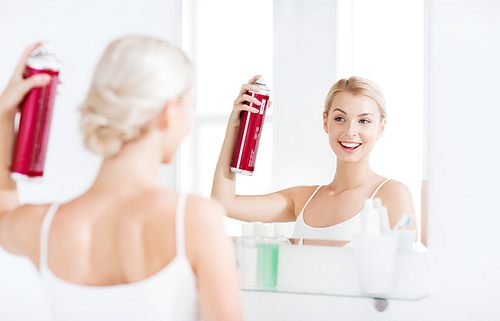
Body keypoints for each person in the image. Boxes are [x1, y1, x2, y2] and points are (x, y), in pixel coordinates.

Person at [0, 37, 242, 321]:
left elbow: (4, 214)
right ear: (169, 111)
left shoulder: (41, 227)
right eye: (190, 106)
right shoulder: (195, 218)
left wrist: (5, 116)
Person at [212, 75, 417, 244]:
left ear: (380, 128)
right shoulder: (302, 200)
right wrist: (235, 129)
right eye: (340, 119)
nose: (350, 131)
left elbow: (411, 272)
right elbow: (224, 202)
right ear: (326, 122)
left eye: (364, 121)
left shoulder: (392, 194)